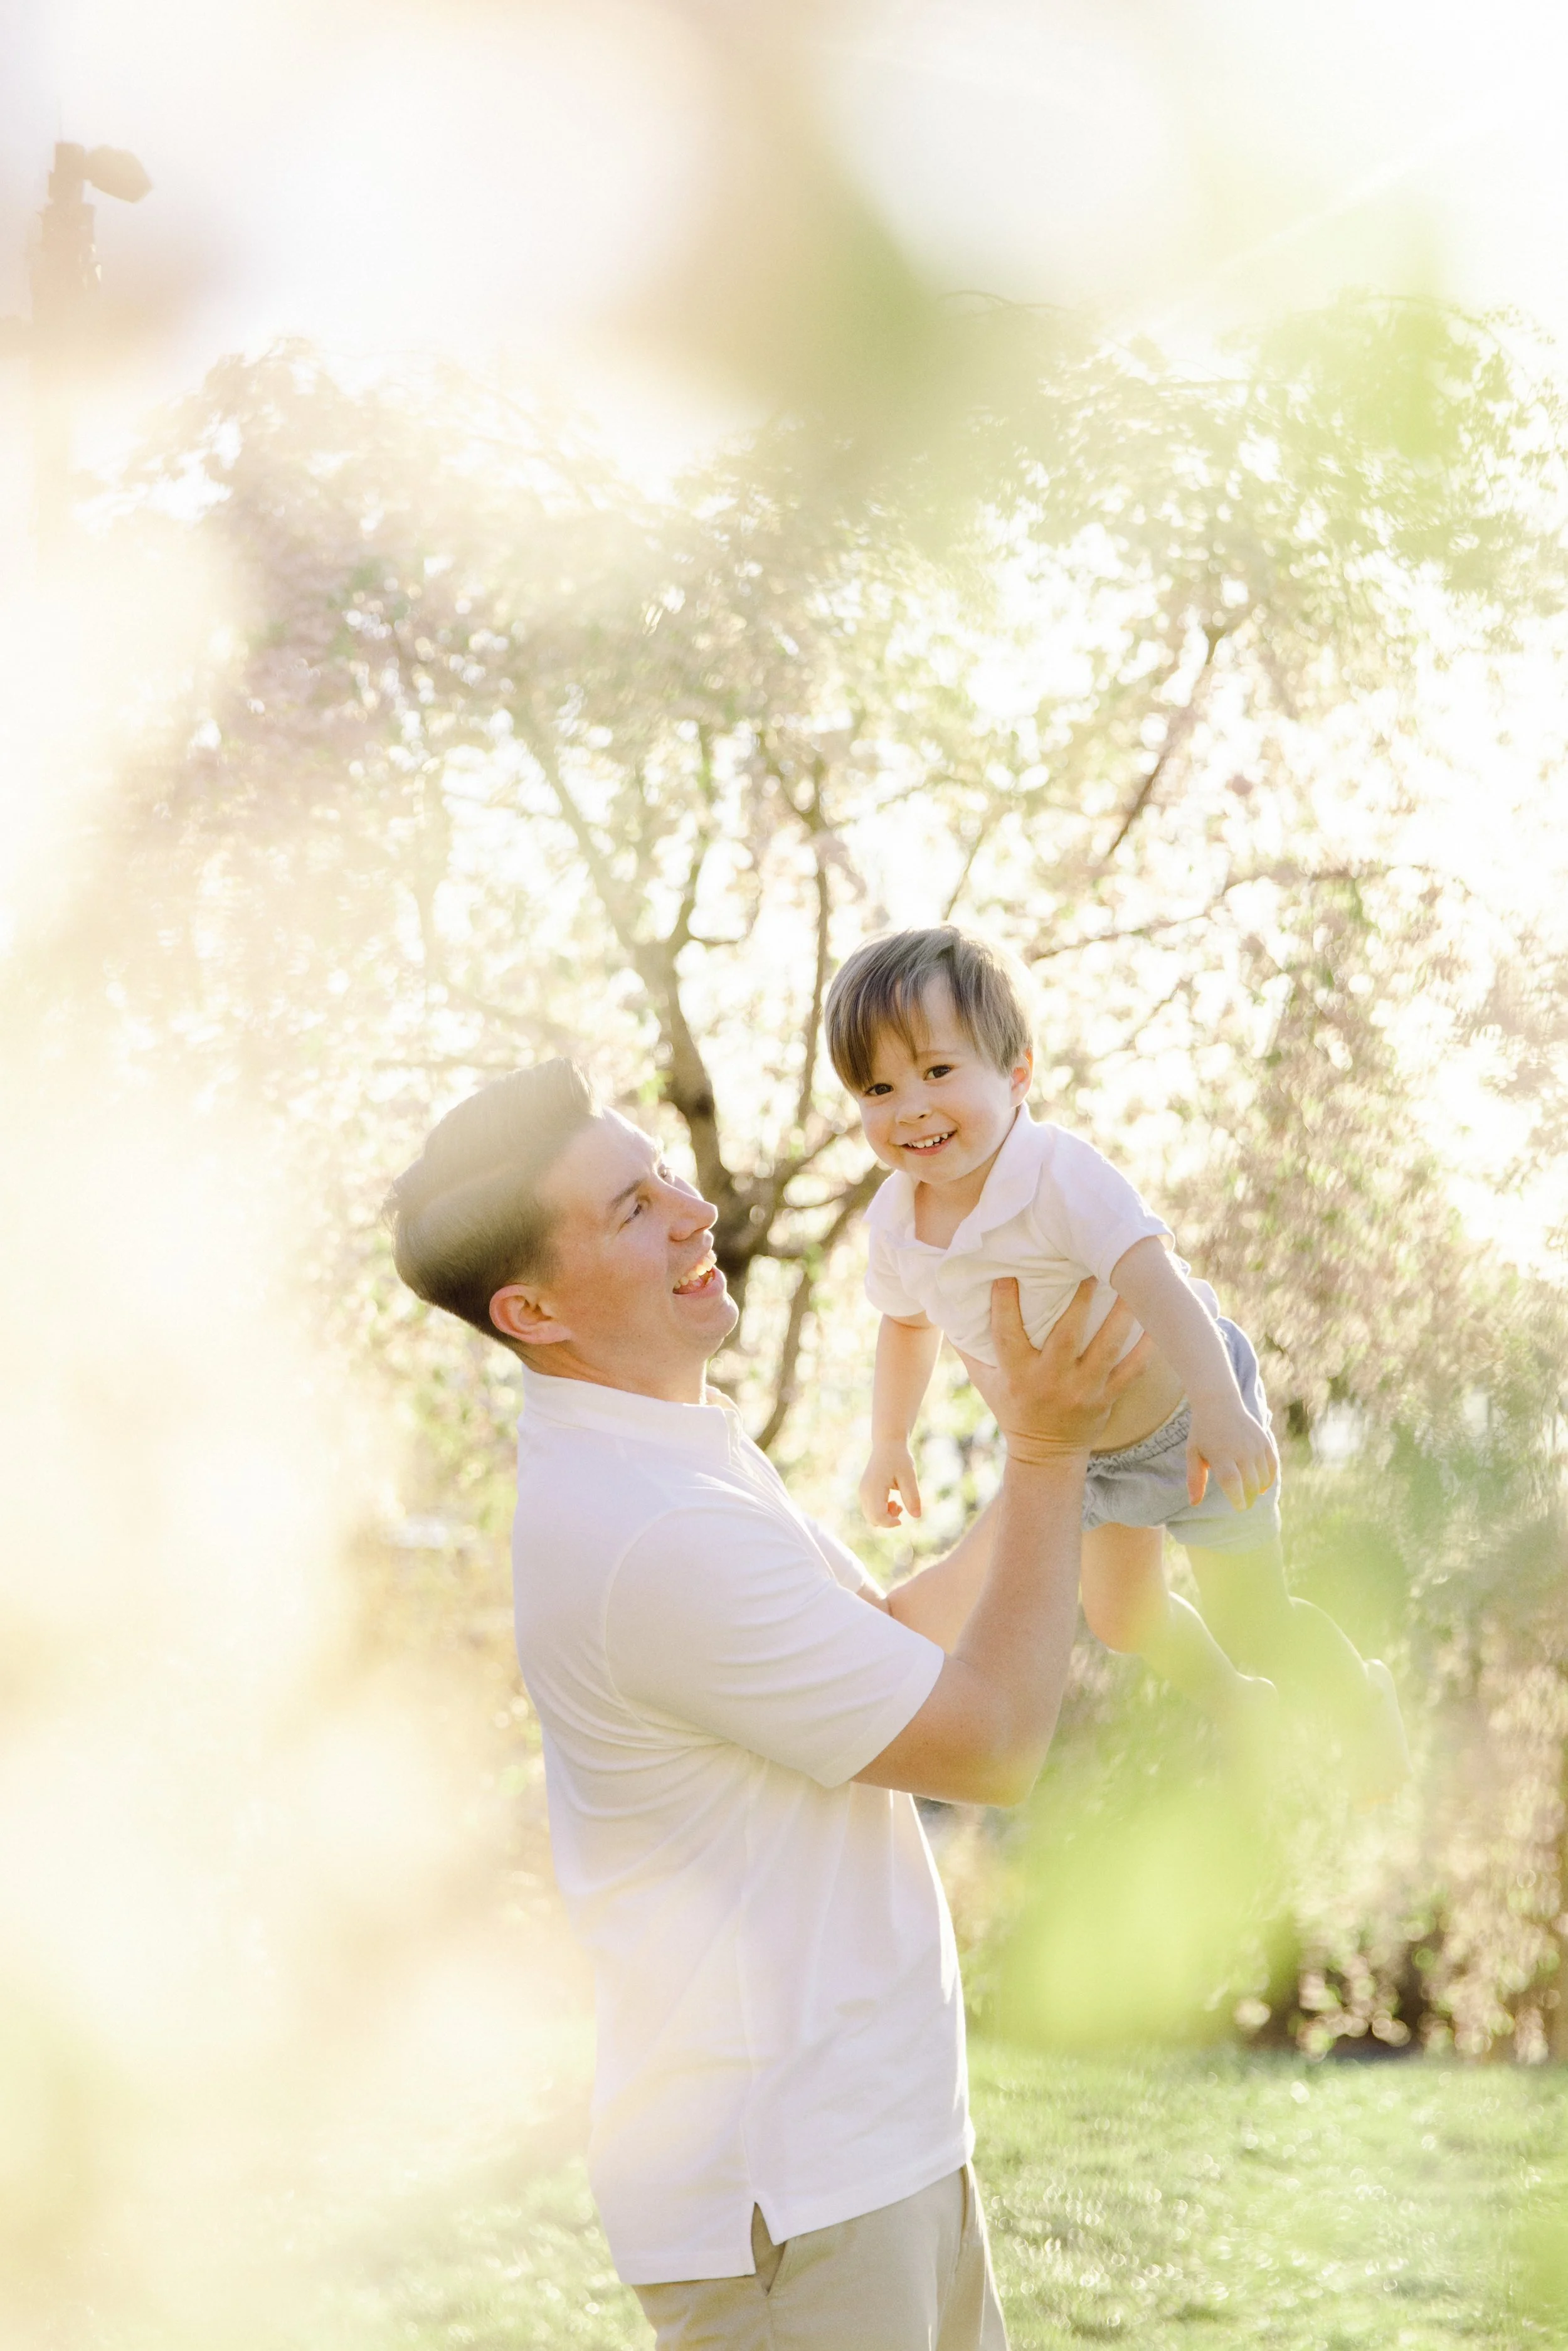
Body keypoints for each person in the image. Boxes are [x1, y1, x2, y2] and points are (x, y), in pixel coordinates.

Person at [387, 1054, 1152, 2350]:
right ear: (532, 1308)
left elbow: (889, 1643)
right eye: (632, 1207)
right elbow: (988, 1742)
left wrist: (1067, 1452)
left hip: (873, 2153)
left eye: (662, 1174)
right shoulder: (653, 1531)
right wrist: (1044, 1449)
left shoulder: (673, 1450)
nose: (692, 1210)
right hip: (788, 2202)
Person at [827, 923, 1409, 1800]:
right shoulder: (897, 1220)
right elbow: (906, 1327)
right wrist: (889, 1441)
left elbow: (1157, 1280)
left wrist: (1218, 1402)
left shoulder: (1060, 1176)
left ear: (1016, 1073)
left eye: (938, 1072)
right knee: (1122, 1619)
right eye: (878, 1086)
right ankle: (1233, 1700)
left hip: (1186, 1421)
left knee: (1253, 1617)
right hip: (1083, 1453)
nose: (909, 1107)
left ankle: (1360, 1700)